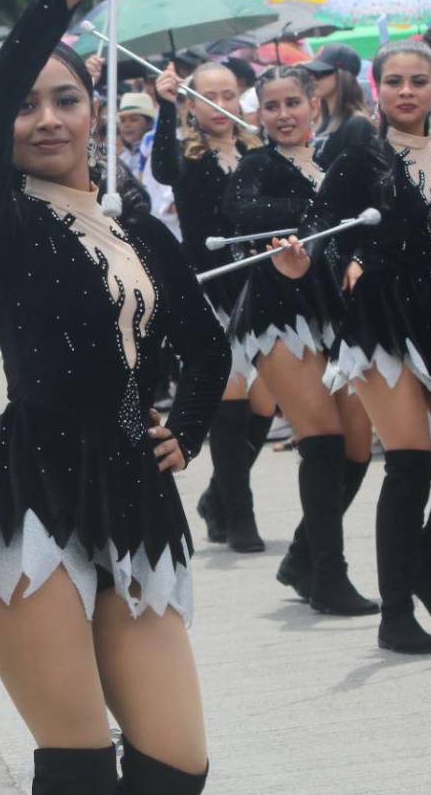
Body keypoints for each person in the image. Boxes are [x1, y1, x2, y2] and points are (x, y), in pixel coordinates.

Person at [0, 0, 230, 789]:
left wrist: (187, 429)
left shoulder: (142, 230)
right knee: (81, 765)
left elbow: (208, 346)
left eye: (67, 99)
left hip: (134, 495)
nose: (48, 118)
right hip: (29, 498)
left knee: (177, 764)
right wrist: (54, 6)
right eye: (28, 105)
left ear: (96, 112)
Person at [272, 40, 431, 655]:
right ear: (377, 87)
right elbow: (324, 232)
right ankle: (395, 613)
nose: (407, 90)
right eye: (394, 80)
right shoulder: (360, 155)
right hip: (381, 320)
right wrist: (324, 264)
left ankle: (423, 565)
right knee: (407, 463)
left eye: (419, 81)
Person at [222, 66, 377, 616]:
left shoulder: (336, 161)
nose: (284, 114)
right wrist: (306, 219)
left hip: (336, 313)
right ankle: (329, 579)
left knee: (359, 447)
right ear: (258, 114)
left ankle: (303, 556)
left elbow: (366, 227)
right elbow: (239, 215)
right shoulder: (254, 166)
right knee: (324, 441)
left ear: (315, 104)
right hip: (276, 313)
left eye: (293, 102)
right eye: (272, 106)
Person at [151, 59, 272, 553]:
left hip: (264, 290)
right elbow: (162, 169)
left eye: (229, 95)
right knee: (231, 406)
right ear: (191, 103)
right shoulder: (187, 157)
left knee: (265, 407)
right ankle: (239, 516)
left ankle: (217, 497)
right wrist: (162, 107)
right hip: (213, 290)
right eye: (208, 97)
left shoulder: (258, 151)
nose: (221, 106)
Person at [301, 44, 376, 170]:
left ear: (342, 75)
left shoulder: (357, 124)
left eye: (320, 72)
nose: (312, 78)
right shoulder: (325, 121)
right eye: (311, 72)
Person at [116, 91, 157, 177]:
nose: (127, 125)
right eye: (122, 121)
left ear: (149, 123)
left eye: (134, 119)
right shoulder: (121, 158)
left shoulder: (155, 155)